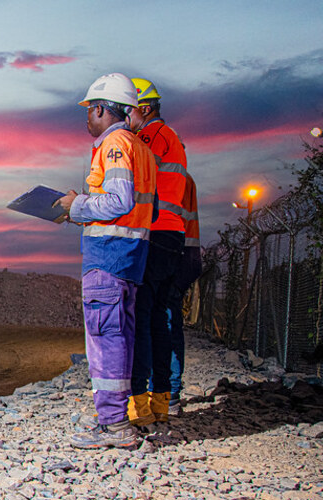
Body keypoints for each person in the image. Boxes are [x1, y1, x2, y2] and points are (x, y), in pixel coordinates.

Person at [56, 73, 158, 449]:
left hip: (108, 257)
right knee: (122, 336)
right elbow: (148, 205)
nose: (87, 117)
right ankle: (118, 417)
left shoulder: (113, 144)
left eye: (89, 110)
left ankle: (114, 424)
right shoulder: (139, 147)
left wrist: (76, 206)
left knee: (105, 339)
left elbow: (119, 201)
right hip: (131, 259)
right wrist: (81, 206)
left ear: (101, 109)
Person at [124, 77, 187, 428]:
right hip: (172, 235)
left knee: (142, 319)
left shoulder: (149, 138)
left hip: (154, 233)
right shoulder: (173, 138)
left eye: (127, 108)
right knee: (160, 320)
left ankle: (139, 406)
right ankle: (162, 399)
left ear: (143, 108)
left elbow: (133, 183)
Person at [166, 174, 202, 416]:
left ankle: (167, 394)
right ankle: (169, 392)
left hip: (172, 253)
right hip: (184, 254)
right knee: (168, 322)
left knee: (164, 323)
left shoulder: (169, 175)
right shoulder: (186, 177)